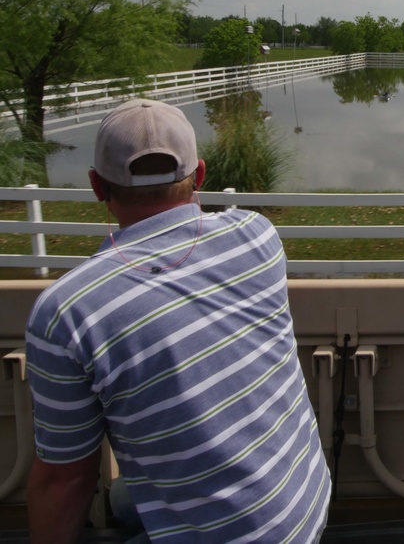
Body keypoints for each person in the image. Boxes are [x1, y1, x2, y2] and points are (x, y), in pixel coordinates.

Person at [25, 99, 331, 543]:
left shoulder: (68, 310)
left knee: (118, 502)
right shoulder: (257, 235)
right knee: (125, 500)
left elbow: (65, 480)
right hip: (305, 507)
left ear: (96, 185)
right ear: (200, 174)